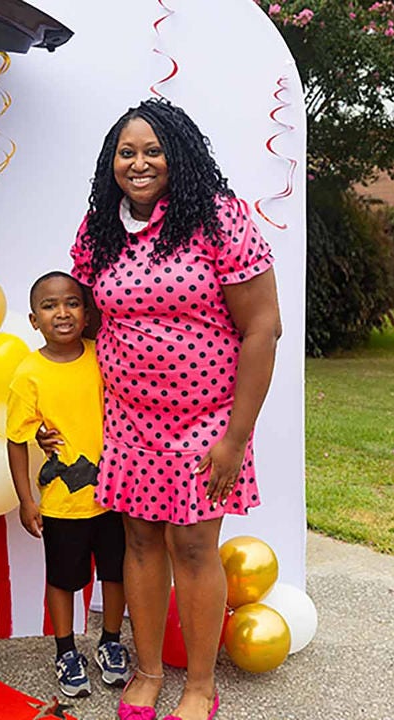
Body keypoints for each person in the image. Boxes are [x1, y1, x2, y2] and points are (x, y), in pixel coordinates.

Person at [64, 98, 282, 720]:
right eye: (125, 153)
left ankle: (199, 686)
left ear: (178, 156)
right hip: (131, 420)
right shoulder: (100, 226)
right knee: (137, 541)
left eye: (152, 150)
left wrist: (236, 439)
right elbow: (91, 314)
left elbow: (263, 328)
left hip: (208, 420)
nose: (138, 163)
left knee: (192, 545)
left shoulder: (218, 219)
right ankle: (150, 670)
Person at [5, 271, 134, 699]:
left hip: (115, 493)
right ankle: (65, 650)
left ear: (86, 312)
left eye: (72, 302)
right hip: (63, 502)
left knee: (115, 574)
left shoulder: (103, 355)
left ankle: (111, 642)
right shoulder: (28, 373)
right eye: (49, 305)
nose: (62, 312)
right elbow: (17, 440)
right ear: (33, 319)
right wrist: (26, 500)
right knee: (63, 579)